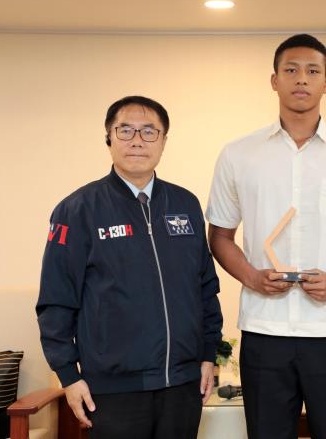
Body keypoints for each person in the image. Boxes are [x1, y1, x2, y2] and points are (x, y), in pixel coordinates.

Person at [206, 34, 326, 439]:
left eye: (313, 71)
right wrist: (252, 277)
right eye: (291, 70)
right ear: (274, 80)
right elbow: (220, 235)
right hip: (265, 329)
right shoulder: (238, 153)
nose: (301, 79)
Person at [36, 96, 223, 439]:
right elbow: (56, 299)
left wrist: (208, 355)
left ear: (164, 141)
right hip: (112, 390)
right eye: (125, 130)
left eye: (149, 131)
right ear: (108, 138)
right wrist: (69, 376)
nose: (137, 140)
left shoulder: (185, 204)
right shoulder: (78, 210)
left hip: (183, 384)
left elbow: (205, 287)